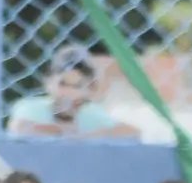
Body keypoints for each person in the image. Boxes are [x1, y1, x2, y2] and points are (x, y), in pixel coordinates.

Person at [7, 46, 140, 139]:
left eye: (77, 86)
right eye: (63, 84)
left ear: (90, 89)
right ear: (48, 83)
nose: (69, 93)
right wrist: (67, 132)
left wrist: (84, 138)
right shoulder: (32, 107)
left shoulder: (90, 114)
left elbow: (132, 132)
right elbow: (21, 128)